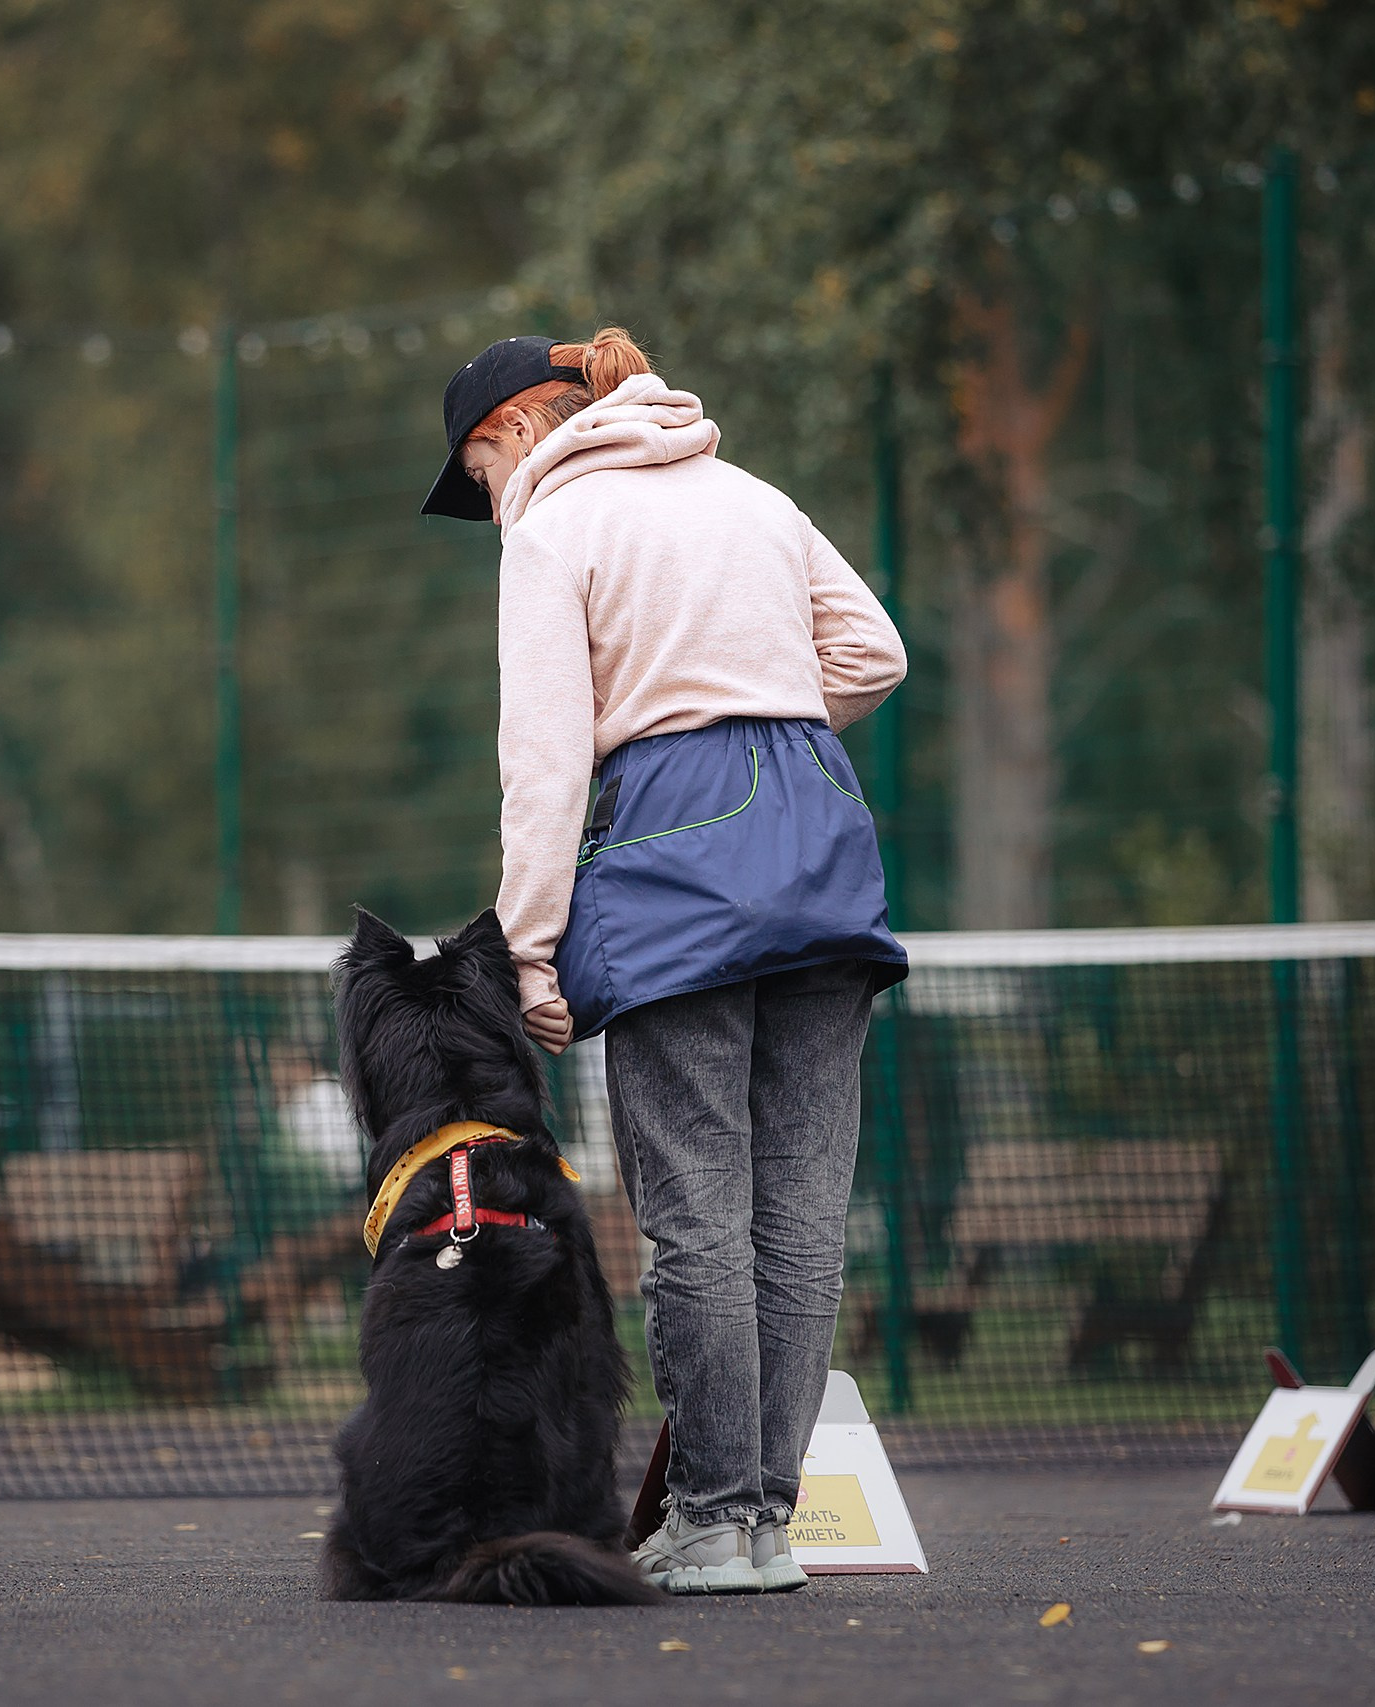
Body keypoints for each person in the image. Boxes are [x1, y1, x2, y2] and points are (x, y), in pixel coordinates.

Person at [421, 331, 908, 1594]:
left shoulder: (555, 532)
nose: (485, 502)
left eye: (475, 471)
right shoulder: (753, 495)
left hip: (675, 852)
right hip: (818, 829)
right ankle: (765, 1527)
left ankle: (712, 1521)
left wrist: (526, 949)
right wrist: (761, 709)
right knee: (800, 1217)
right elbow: (874, 656)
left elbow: (544, 760)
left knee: (694, 1216)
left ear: (519, 430)